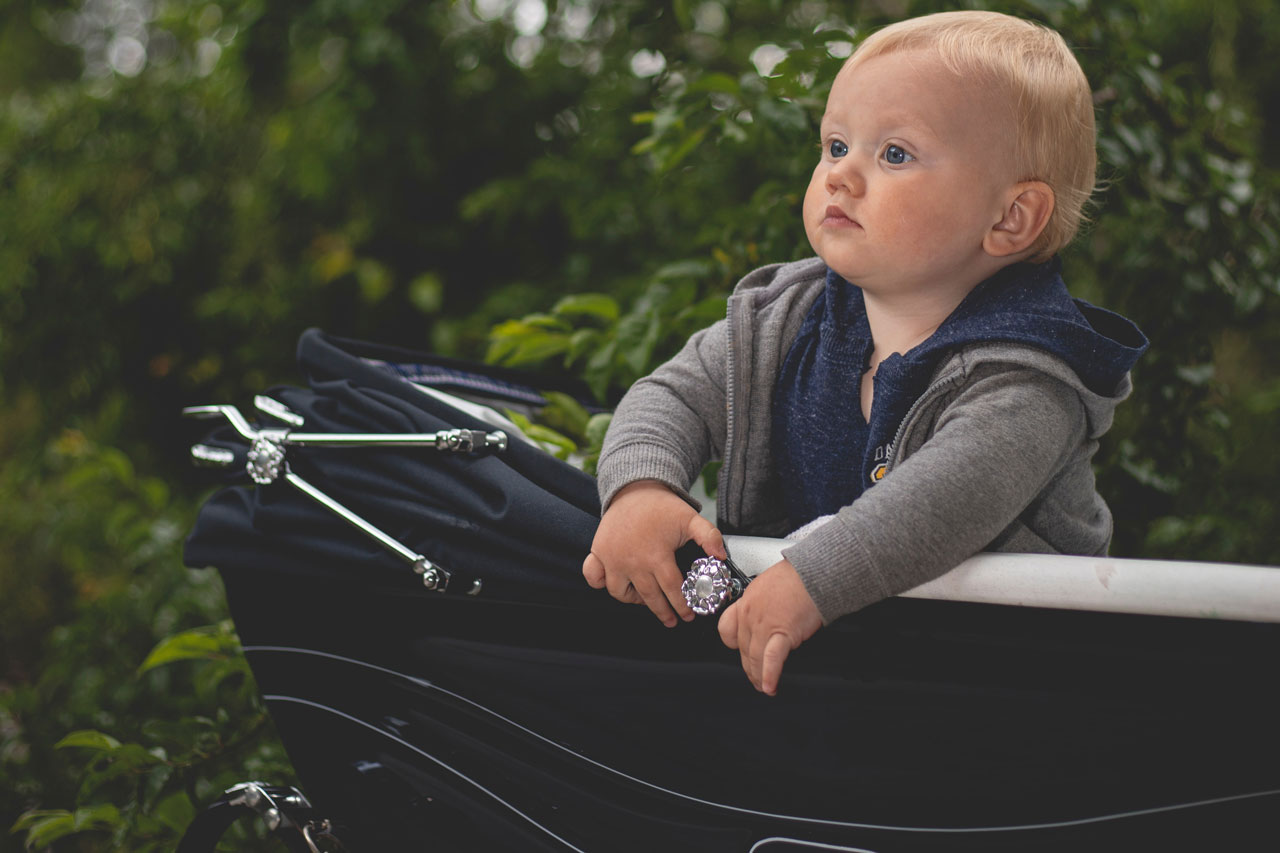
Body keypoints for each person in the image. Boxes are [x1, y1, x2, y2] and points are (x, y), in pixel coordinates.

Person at [582, 11, 1147, 696]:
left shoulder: (1029, 376)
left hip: (1002, 686)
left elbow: (944, 498)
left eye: (895, 154)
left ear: (1009, 218)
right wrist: (641, 488)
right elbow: (671, 395)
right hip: (837, 670)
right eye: (835, 145)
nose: (842, 176)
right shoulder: (782, 316)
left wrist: (814, 577)